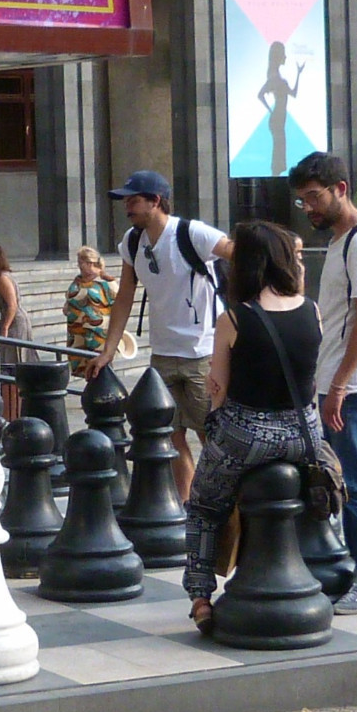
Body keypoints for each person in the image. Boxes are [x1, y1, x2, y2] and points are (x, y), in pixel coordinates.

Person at [184, 221, 323, 634]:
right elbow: (310, 383)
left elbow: (218, 391)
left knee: (205, 505)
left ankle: (201, 596)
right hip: (305, 434)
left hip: (247, 434)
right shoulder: (311, 309)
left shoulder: (233, 319)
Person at [287, 151, 357, 615]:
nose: (308, 208)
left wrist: (341, 385)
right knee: (346, 478)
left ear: (341, 189)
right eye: (302, 201)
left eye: (314, 197)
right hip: (337, 381)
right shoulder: (341, 240)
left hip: (354, 384)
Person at [88, 171, 234, 501]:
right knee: (171, 436)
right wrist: (108, 350)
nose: (127, 207)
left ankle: (230, 505)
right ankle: (185, 508)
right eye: (126, 200)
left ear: (155, 201)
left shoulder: (191, 233)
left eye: (134, 200)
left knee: (211, 434)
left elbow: (238, 252)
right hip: (163, 355)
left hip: (202, 353)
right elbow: (124, 295)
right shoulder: (133, 241)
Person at [257, 41, 306, 178]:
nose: (285, 57)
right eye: (283, 54)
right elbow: (260, 95)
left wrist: (298, 73)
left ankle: (276, 176)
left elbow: (294, 93)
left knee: (280, 149)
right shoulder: (274, 77)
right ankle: (275, 177)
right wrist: (271, 111)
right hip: (277, 119)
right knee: (278, 150)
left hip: (279, 119)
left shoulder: (277, 77)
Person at [63, 246, 115, 376]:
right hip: (77, 333)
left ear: (90, 262)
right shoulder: (77, 280)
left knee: (100, 371)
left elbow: (118, 306)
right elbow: (70, 299)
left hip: (98, 334)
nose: (79, 265)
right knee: (85, 371)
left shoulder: (105, 282)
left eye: (81, 262)